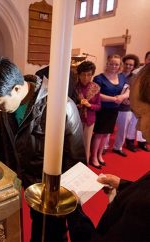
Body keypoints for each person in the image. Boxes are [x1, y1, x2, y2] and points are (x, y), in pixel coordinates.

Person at [0, 57, 86, 242]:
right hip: (24, 186)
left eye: (0, 105)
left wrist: (63, 201)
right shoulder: (3, 105)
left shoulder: (60, 107)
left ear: (16, 89)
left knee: (52, 234)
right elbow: (4, 147)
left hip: (53, 192)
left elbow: (77, 160)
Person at [67, 63, 150, 242]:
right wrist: (122, 185)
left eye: (141, 116)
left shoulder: (143, 209)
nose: (137, 126)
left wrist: (74, 211)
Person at [90, 55, 128, 169]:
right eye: (111, 63)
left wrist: (122, 97)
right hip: (102, 110)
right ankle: (94, 158)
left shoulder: (121, 77)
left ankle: (100, 155)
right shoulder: (99, 78)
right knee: (98, 134)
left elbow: (127, 89)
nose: (114, 66)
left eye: (116, 64)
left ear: (120, 65)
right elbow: (97, 95)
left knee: (106, 134)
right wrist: (114, 99)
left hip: (114, 110)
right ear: (107, 64)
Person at [112, 54, 140, 157]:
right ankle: (105, 146)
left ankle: (117, 147)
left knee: (123, 130)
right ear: (123, 64)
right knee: (108, 128)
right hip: (113, 105)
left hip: (126, 107)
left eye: (131, 65)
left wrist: (129, 100)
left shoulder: (136, 78)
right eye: (126, 64)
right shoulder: (116, 74)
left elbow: (136, 92)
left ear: (134, 66)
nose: (128, 66)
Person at [75, 61, 101, 163]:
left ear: (92, 74)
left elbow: (99, 106)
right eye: (83, 74)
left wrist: (89, 105)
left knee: (87, 143)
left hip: (90, 120)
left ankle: (85, 163)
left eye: (89, 75)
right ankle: (75, 162)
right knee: (76, 143)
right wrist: (79, 105)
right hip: (77, 118)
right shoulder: (75, 87)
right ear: (79, 75)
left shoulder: (96, 87)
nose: (86, 77)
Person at [126, 51, 150, 152]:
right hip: (136, 106)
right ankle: (130, 141)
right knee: (133, 124)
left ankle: (142, 142)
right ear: (145, 59)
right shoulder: (138, 73)